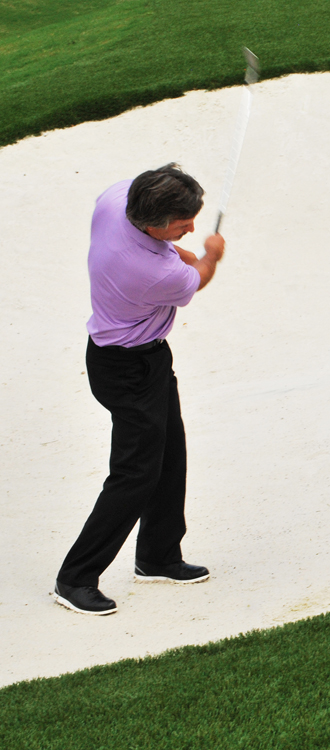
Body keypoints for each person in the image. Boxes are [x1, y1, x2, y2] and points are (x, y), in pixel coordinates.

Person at [53, 163, 225, 616]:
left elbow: (171, 249)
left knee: (170, 450)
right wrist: (210, 254)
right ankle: (75, 578)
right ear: (153, 223)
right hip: (124, 370)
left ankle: (159, 556)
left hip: (144, 359)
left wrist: (182, 248)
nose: (192, 228)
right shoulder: (150, 273)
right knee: (135, 475)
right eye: (183, 224)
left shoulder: (118, 199)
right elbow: (197, 277)